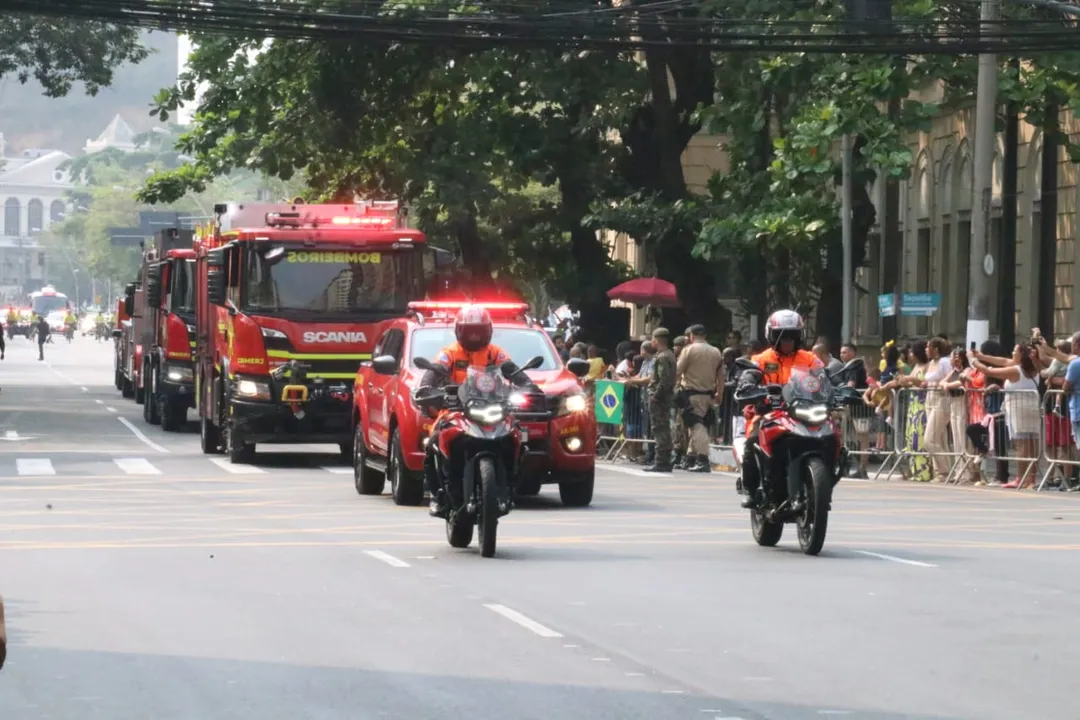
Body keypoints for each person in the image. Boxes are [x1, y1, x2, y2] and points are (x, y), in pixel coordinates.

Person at [418, 305, 510, 517]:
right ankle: (435, 494)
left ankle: (509, 485)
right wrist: (427, 386)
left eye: (479, 330)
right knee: (432, 441)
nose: (475, 335)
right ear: (460, 331)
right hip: (456, 410)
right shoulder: (448, 353)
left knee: (516, 436)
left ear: (488, 330)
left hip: (492, 408)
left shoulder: (495, 353)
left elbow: (511, 369)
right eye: (470, 330)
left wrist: (529, 386)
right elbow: (434, 372)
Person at [734, 309, 821, 508]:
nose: (787, 339)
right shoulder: (761, 359)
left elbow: (823, 378)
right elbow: (749, 374)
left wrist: (838, 387)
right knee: (753, 441)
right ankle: (749, 488)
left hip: (803, 413)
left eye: (792, 335)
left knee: (831, 433)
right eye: (781, 335)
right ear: (771, 336)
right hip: (770, 412)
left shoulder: (810, 358)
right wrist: (748, 384)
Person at [675, 324, 723, 472]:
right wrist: (719, 395)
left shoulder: (688, 350)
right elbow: (721, 377)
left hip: (691, 394)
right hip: (708, 394)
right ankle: (691, 457)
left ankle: (703, 459)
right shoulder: (716, 352)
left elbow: (677, 371)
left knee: (696, 426)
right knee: (696, 426)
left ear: (691, 335)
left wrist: (673, 388)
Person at [645, 327, 677, 472]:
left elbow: (664, 380)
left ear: (656, 340)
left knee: (660, 429)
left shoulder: (663, 357)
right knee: (663, 428)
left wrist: (656, 396)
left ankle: (661, 461)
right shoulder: (669, 355)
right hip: (665, 397)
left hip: (660, 398)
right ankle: (664, 459)